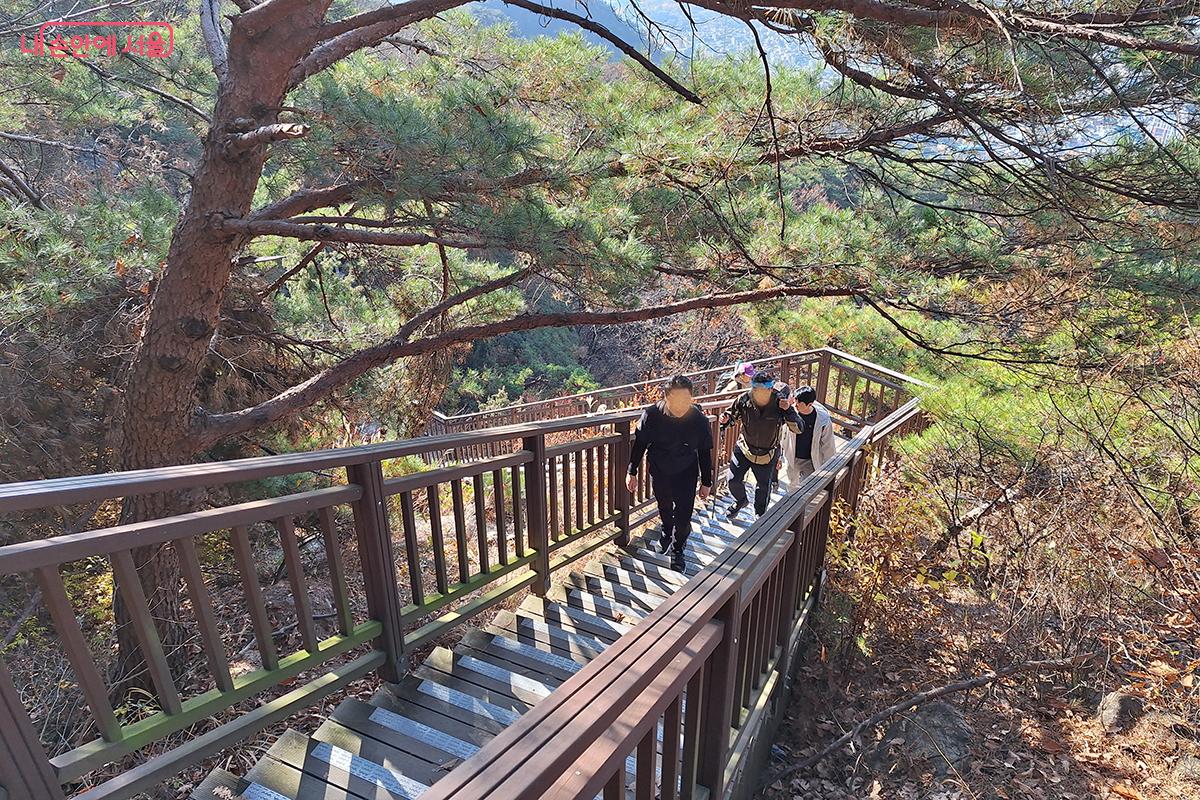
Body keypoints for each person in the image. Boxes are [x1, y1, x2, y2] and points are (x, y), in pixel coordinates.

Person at [626, 375, 714, 572]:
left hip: (686, 471)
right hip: (660, 468)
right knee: (664, 506)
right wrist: (632, 470)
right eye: (676, 399)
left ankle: (678, 550)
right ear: (666, 397)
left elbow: (704, 452)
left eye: (686, 399)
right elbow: (640, 443)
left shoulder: (698, 420)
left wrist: (707, 482)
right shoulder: (652, 415)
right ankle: (666, 531)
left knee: (683, 515)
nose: (681, 405)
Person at [720, 373, 803, 520]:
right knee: (733, 480)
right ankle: (740, 501)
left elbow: (798, 428)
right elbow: (731, 416)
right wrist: (725, 420)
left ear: (771, 389)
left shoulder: (780, 403)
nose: (760, 393)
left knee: (763, 488)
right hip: (745, 447)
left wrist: (788, 410)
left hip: (768, 452)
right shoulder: (744, 399)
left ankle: (760, 517)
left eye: (765, 390)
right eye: (756, 389)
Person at [780, 385, 836, 485]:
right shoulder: (791, 413)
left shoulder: (822, 419)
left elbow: (828, 444)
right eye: (795, 402)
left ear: (809, 404)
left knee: (807, 487)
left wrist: (829, 467)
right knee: (792, 484)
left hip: (810, 459)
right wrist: (779, 455)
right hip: (792, 457)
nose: (795, 406)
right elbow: (782, 434)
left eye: (798, 404)